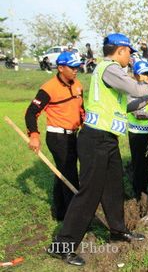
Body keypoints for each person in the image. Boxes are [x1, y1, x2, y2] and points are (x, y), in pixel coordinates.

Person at [48, 33, 148, 266]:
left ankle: (118, 230)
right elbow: (134, 87)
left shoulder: (113, 73)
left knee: (114, 187)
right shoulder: (109, 68)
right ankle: (62, 244)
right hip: (95, 139)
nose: (130, 57)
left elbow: (129, 104)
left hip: (108, 140)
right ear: (120, 50)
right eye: (129, 52)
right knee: (89, 193)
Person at [25, 51, 84, 221]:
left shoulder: (78, 85)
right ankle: (75, 219)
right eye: (72, 67)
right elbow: (31, 113)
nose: (76, 70)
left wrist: (85, 127)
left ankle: (61, 213)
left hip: (74, 135)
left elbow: (81, 110)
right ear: (60, 68)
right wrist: (34, 136)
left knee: (63, 173)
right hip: (58, 138)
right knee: (70, 174)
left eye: (77, 67)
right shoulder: (48, 88)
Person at [128, 60, 148, 200]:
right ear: (135, 75)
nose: (144, 77)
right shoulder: (132, 90)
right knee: (139, 166)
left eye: (147, 74)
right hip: (137, 134)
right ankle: (139, 195)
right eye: (141, 75)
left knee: (147, 165)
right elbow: (136, 113)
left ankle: (144, 191)